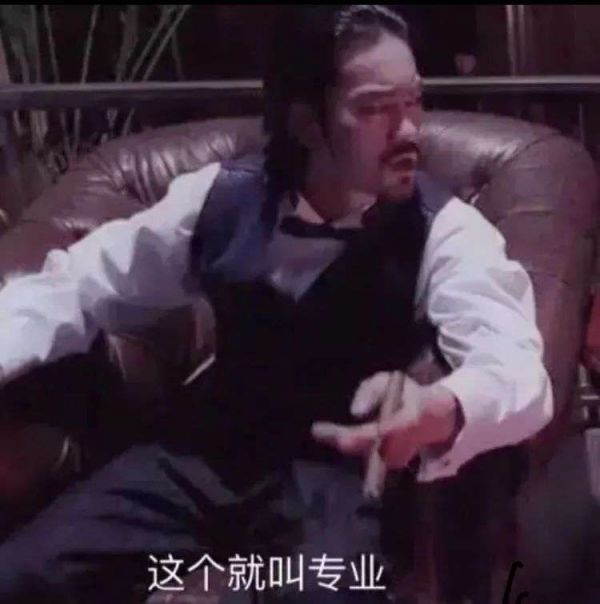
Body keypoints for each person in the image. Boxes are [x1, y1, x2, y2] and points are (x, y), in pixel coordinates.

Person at [0, 5, 552, 604]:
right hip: (202, 457)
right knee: (24, 573)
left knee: (325, 590)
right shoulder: (219, 198)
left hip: (335, 477)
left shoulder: (444, 229)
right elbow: (79, 285)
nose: (410, 131)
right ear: (306, 122)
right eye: (375, 109)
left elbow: (515, 368)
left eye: (413, 102)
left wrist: (442, 408)